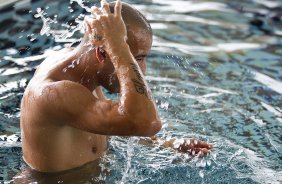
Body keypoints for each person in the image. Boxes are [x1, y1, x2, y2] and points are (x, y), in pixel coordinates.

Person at [20, 0, 212, 173]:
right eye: (134, 60)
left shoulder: (84, 71)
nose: (142, 71)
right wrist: (118, 46)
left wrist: (169, 145)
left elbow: (112, 123)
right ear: (102, 54)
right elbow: (145, 122)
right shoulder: (56, 92)